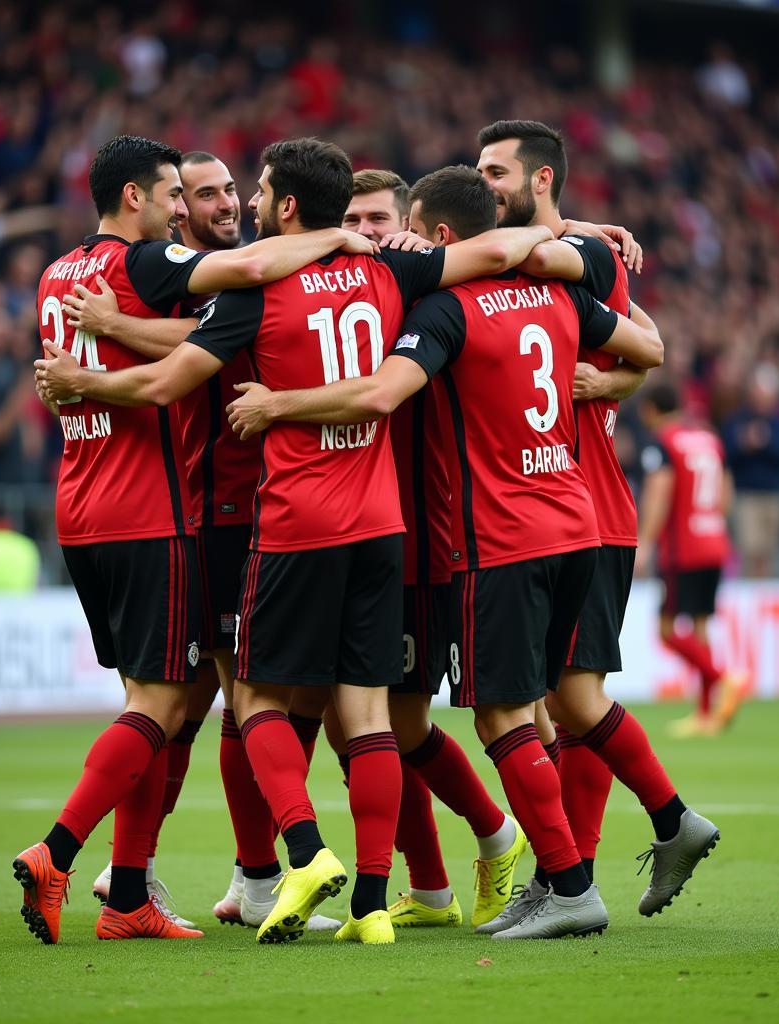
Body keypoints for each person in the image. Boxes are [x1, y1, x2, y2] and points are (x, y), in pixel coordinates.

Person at [35, 137, 556, 944]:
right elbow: (501, 245)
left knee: (249, 702)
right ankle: (360, 899)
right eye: (195, 193)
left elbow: (178, 371)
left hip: (275, 521)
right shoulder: (389, 271)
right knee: (367, 716)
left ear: (282, 206)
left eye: (245, 192)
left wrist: (90, 375)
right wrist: (568, 235)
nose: (225, 206)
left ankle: (289, 859)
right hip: (383, 523)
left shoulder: (259, 282)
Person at [227, 165, 715, 939]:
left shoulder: (437, 306)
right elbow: (647, 347)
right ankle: (562, 864)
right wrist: (600, 373)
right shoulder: (558, 291)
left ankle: (566, 880)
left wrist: (275, 404)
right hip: (571, 520)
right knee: (529, 710)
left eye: (398, 222)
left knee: (501, 717)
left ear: (439, 233)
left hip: (492, 537)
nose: (387, 236)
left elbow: (381, 393)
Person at [12, 134, 378, 946]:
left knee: (175, 704)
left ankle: (132, 890)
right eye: (183, 192)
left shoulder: (58, 273)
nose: (196, 207)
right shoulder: (157, 267)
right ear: (136, 197)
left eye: (212, 193)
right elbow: (228, 303)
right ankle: (72, 854)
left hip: (87, 505)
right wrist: (338, 235)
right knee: (195, 703)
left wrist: (104, 350)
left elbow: (190, 335)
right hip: (170, 519)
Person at [474, 118, 669, 929]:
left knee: (563, 698)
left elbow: (650, 345)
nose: (482, 181)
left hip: (576, 509)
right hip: (555, 511)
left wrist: (612, 383)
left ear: (542, 181)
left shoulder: (585, 265)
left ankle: (591, 866)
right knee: (553, 704)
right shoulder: (581, 252)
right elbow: (649, 345)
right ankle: (567, 876)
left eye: (495, 171)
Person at [337, 168, 526, 934]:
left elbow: (500, 251)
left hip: (418, 541)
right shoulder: (341, 289)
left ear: (412, 225)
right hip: (352, 535)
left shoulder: (424, 294)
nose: (366, 228)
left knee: (392, 725)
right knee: (361, 723)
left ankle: (495, 837)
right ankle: (433, 887)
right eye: (350, 215)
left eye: (379, 216)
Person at [639, 381, 745, 736]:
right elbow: (726, 493)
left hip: (682, 548)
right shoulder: (710, 439)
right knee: (700, 628)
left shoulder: (663, 443)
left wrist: (646, 541)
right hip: (713, 540)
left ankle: (723, 677)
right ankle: (705, 714)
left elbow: (659, 492)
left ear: (651, 410)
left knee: (667, 631)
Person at [721, 362, 779, 579]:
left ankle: (766, 595)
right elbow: (726, 455)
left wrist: (767, 442)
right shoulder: (737, 420)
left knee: (769, 553)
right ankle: (750, 597)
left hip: (774, 496)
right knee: (748, 551)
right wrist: (745, 443)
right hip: (746, 496)